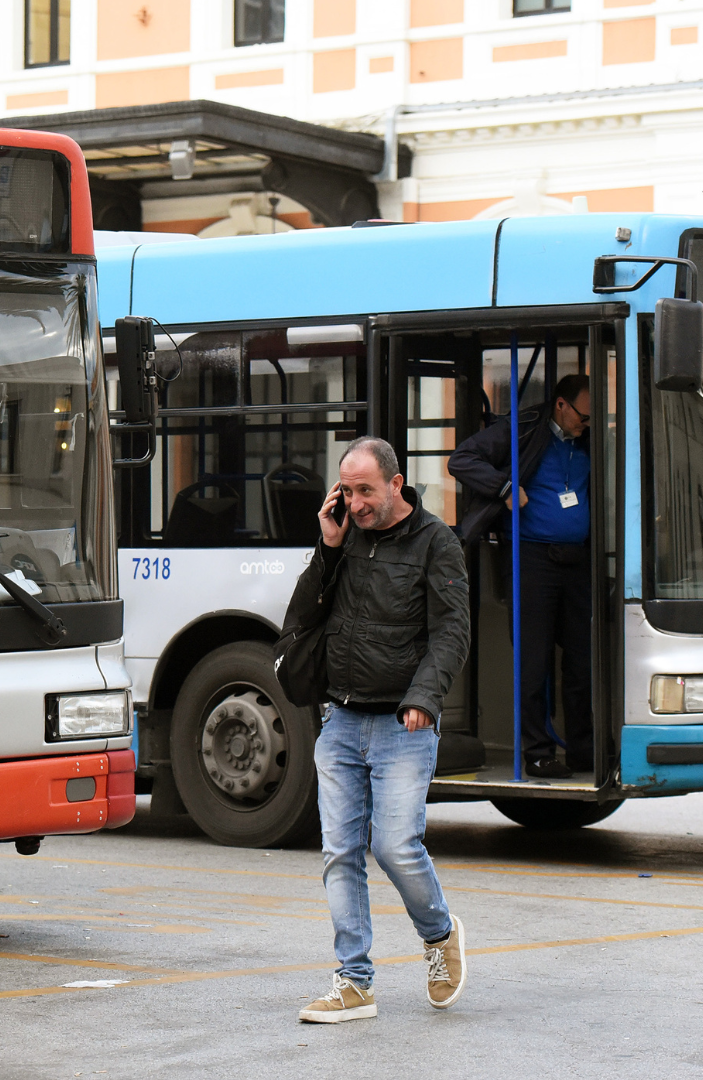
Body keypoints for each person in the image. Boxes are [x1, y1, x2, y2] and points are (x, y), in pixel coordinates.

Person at [285, 436, 470, 1024]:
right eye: (346, 491)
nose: (356, 503)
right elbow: (302, 617)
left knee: (394, 845)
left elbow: (451, 632)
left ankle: (439, 935)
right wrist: (329, 546)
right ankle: (354, 982)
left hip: (401, 722)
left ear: (396, 484)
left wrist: (424, 697)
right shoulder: (344, 538)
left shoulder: (438, 543)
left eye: (366, 491)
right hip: (340, 718)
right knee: (340, 853)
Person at [448, 373, 594, 778]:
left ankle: (583, 748)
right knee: (534, 659)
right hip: (532, 559)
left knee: (583, 659)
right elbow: (461, 459)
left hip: (577, 561)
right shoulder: (523, 428)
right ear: (561, 406)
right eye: (582, 416)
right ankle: (538, 751)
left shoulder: (586, 440)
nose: (587, 424)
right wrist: (504, 486)